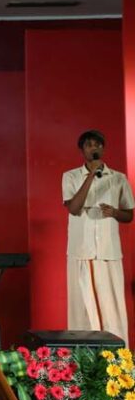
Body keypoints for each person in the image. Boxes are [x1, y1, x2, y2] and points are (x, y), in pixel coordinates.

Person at [63, 130, 134, 343]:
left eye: (97, 145)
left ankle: (117, 354)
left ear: (103, 148)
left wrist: (114, 212)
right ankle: (83, 353)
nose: (94, 148)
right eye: (89, 145)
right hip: (81, 251)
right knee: (82, 308)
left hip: (108, 252)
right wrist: (91, 175)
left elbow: (129, 215)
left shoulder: (119, 178)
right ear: (82, 151)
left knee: (111, 306)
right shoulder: (71, 176)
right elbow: (74, 208)